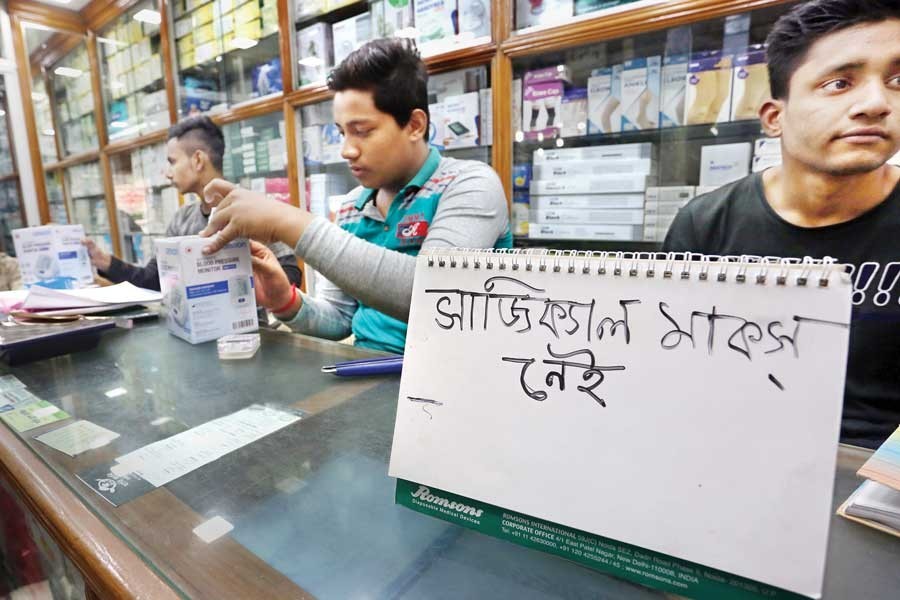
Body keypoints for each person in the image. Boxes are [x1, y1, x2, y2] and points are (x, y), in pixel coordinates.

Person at [663, 0, 900, 449]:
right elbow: (672, 373)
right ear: (775, 117)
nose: (876, 103)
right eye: (839, 83)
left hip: (880, 479)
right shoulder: (707, 222)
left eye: (897, 80)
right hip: (733, 454)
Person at [199, 38, 512, 354]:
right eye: (342, 132)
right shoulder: (353, 207)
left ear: (415, 125)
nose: (347, 149)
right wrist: (286, 300)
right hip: (367, 379)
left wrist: (287, 222)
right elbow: (338, 319)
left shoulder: (470, 185)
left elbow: (436, 294)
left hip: (448, 387)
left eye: (362, 131)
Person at [83, 116, 302, 291]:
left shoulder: (252, 209)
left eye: (172, 162)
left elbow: (291, 274)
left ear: (198, 160)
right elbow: (152, 279)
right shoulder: (182, 220)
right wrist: (105, 261)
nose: (167, 173)